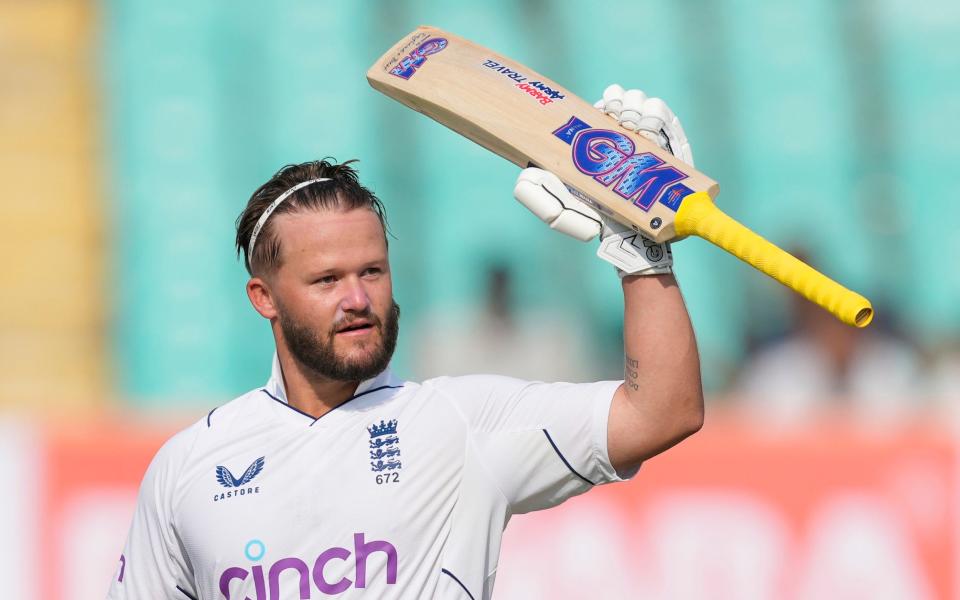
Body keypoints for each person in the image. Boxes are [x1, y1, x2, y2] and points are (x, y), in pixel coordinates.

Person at [107, 85, 704, 599]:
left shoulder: (462, 424)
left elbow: (662, 411)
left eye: (372, 271)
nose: (358, 299)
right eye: (326, 280)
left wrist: (642, 255)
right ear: (264, 298)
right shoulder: (187, 467)